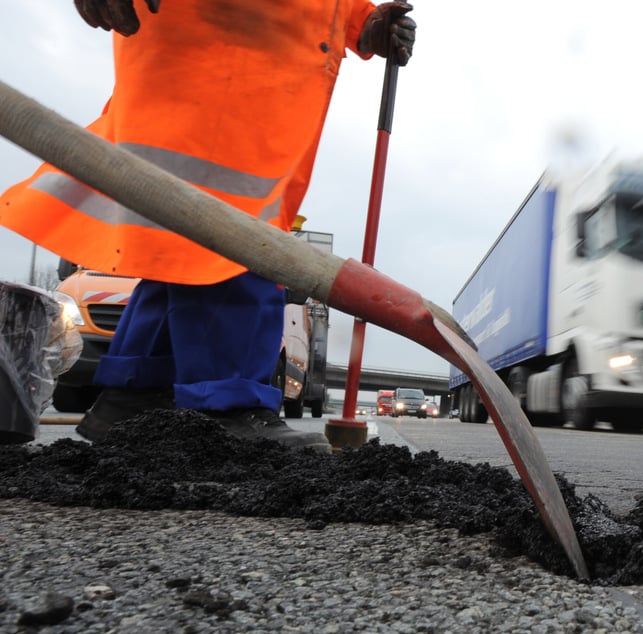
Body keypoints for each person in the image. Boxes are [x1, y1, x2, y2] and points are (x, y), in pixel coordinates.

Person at [0, 0, 416, 451]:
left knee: (189, 246)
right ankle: (227, 404)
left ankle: (137, 396)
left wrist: (361, 23)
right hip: (212, 60)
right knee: (238, 240)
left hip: (257, 74)